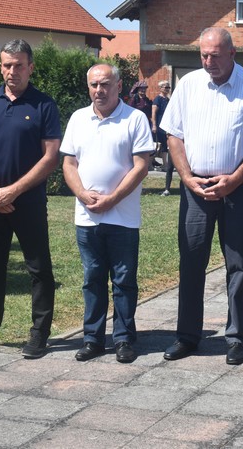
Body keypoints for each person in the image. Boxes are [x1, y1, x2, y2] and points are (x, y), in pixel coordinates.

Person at [159, 27, 243, 365]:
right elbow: (174, 135)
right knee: (191, 262)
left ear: (232, 53)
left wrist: (235, 179)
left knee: (238, 264)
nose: (208, 61)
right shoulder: (188, 85)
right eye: (203, 55)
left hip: (237, 190)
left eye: (215, 55)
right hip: (195, 189)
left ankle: (237, 338)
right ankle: (187, 336)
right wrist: (186, 177)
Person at [0, 39, 61, 359]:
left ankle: (39, 334)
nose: (12, 71)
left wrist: (13, 191)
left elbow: (50, 158)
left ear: (31, 67)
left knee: (38, 268)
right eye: (7, 65)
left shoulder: (44, 105)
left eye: (19, 65)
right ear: (0, 66)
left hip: (27, 202)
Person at [61, 64, 154, 363]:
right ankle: (93, 339)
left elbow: (141, 166)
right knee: (92, 279)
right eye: (94, 85)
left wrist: (112, 199)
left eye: (105, 84)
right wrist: (81, 193)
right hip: (87, 216)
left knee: (124, 280)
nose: (99, 90)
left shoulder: (135, 119)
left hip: (122, 217)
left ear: (119, 85)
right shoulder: (78, 118)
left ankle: (124, 339)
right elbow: (69, 164)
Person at [151, 80, 175, 194]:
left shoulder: (168, 99)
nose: (167, 89)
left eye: (168, 87)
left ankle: (165, 164)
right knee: (160, 145)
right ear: (160, 88)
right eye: (166, 87)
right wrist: (154, 125)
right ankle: (157, 164)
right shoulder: (158, 99)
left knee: (165, 145)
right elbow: (154, 113)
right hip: (159, 125)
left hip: (166, 126)